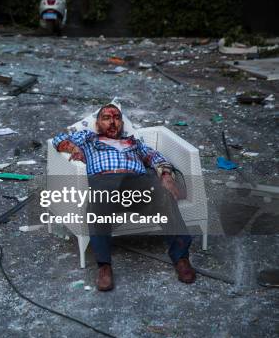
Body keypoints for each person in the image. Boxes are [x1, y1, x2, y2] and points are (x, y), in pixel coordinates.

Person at [52, 104, 195, 291]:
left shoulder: (133, 142)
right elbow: (58, 139)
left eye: (117, 117)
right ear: (97, 124)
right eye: (106, 118)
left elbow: (153, 156)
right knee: (97, 203)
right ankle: (104, 267)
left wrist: (166, 175)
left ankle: (181, 258)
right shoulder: (88, 138)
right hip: (105, 182)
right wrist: (72, 148)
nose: (112, 122)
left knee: (164, 195)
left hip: (136, 183)